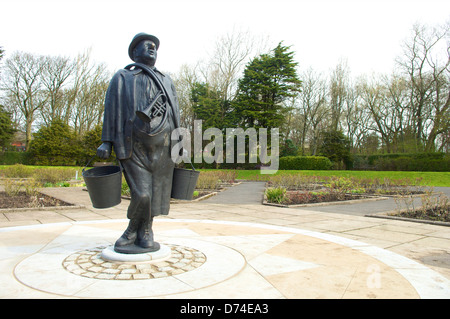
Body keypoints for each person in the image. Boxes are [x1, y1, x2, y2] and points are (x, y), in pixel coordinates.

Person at [96, 33, 180, 254]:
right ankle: (132, 229)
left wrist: (179, 141)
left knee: (156, 193)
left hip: (162, 148)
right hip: (133, 146)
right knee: (142, 194)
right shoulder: (123, 77)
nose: (152, 48)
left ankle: (146, 231)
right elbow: (111, 109)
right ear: (134, 52)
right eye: (147, 45)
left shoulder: (166, 80)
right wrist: (106, 141)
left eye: (155, 46)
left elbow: (176, 112)